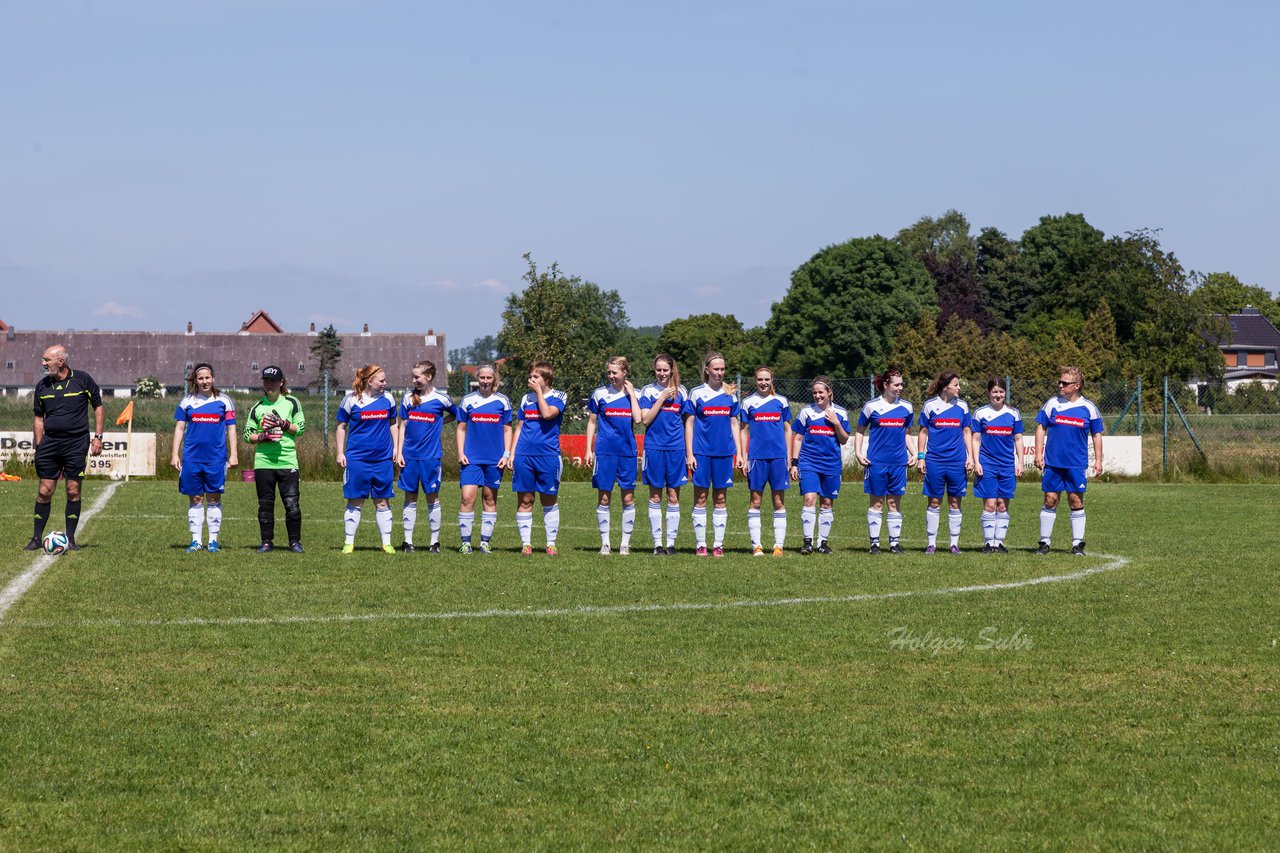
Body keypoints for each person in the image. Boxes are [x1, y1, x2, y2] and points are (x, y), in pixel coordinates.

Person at [25, 345, 105, 552]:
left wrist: (97, 437)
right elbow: (38, 417)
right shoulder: (42, 386)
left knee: (73, 489)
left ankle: (70, 538)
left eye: (47, 360)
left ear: (60, 361)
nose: (43, 364)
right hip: (49, 444)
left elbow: (98, 407)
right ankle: (35, 538)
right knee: (44, 491)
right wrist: (39, 445)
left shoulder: (82, 379)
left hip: (76, 443)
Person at [1034, 365, 1104, 556]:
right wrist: (1038, 454)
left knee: (1075, 500)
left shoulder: (1089, 408)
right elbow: (1041, 427)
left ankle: (1077, 544)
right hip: (1053, 463)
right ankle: (1044, 543)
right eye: (1060, 381)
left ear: (1077, 385)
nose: (1060, 385)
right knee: (1050, 500)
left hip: (1075, 464)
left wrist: (1098, 460)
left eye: (1065, 383)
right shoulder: (1052, 404)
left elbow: (1096, 435)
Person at [171, 363, 238, 553]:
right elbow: (179, 428)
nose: (204, 381)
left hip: (216, 458)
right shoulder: (187, 401)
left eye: (207, 377)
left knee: (214, 498)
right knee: (196, 499)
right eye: (200, 378)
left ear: (213, 378)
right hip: (192, 458)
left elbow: (231, 428)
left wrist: (233, 454)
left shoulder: (224, 401)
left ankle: (213, 541)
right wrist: (174, 454)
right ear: (195, 381)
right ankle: (196, 541)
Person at [683, 352, 743, 557]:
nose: (720, 372)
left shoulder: (730, 394)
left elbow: (735, 424)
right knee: (700, 498)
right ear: (707, 370)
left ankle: (718, 545)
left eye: (722, 369)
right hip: (701, 453)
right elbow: (689, 424)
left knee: (720, 498)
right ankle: (701, 544)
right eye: (716, 369)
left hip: (725, 453)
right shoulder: (696, 393)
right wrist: (689, 453)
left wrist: (740, 453)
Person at [335, 364, 399, 554]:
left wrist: (396, 448)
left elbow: (393, 423)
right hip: (357, 459)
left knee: (382, 501)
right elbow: (340, 427)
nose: (385, 383)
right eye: (381, 380)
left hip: (382, 460)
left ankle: (386, 543)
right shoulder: (351, 400)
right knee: (356, 500)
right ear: (369, 381)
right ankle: (349, 542)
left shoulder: (388, 399)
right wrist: (340, 452)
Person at [394, 360, 456, 553]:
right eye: (413, 376)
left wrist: (440, 422)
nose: (414, 380)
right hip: (409, 457)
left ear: (428, 377)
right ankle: (407, 541)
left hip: (431, 457)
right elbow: (402, 425)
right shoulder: (407, 398)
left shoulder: (442, 399)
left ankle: (434, 542)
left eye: (417, 377)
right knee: (410, 497)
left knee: (432, 497)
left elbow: (456, 415)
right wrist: (398, 451)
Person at [243, 365, 306, 553]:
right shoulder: (258, 407)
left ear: (281, 382)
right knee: (265, 504)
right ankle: (266, 542)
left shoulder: (292, 402)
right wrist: (263, 436)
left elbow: (300, 429)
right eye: (266, 380)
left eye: (273, 380)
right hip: (264, 462)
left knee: (292, 504)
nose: (269, 384)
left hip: (287, 461)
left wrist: (283, 424)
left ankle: (295, 542)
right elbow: (248, 435)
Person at [854, 368, 917, 554]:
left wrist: (914, 453)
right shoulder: (871, 407)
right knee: (876, 502)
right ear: (885, 385)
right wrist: (858, 453)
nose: (900, 388)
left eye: (901, 384)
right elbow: (859, 430)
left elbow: (906, 434)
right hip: (876, 462)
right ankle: (874, 544)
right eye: (897, 384)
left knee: (894, 503)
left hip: (898, 463)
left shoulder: (907, 407)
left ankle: (894, 544)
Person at [586, 356, 642, 555]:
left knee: (628, 497)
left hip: (627, 452)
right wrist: (588, 449)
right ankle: (606, 543)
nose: (611, 376)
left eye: (614, 372)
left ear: (625, 373)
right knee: (604, 498)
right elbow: (592, 422)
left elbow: (638, 419)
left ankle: (625, 544)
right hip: (604, 452)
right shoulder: (599, 394)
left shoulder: (635, 394)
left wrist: (632, 395)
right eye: (609, 372)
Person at [455, 364, 513, 554]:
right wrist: (461, 452)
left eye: (489, 378)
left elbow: (507, 429)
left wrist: (506, 454)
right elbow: (461, 428)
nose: (485, 381)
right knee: (467, 497)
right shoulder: (468, 400)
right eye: (482, 378)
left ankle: (485, 542)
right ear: (477, 379)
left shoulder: (503, 401)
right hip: (471, 458)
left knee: (489, 498)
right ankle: (465, 543)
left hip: (495, 459)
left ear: (494, 380)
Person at [511, 361, 567, 556]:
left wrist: (539, 394)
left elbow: (547, 414)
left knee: (548, 499)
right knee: (525, 499)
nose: (531, 380)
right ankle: (526, 544)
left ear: (547, 379)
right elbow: (519, 427)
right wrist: (511, 453)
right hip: (524, 456)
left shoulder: (559, 396)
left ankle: (550, 543)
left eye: (536, 377)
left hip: (549, 455)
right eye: (531, 376)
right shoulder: (526, 398)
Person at [790, 376, 851, 554]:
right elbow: (798, 438)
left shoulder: (840, 413)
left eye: (821, 392)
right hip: (809, 462)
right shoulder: (806, 412)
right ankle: (807, 543)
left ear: (829, 392)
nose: (817, 396)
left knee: (826, 502)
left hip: (831, 464)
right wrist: (794, 463)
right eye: (815, 392)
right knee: (809, 499)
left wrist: (836, 423)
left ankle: (822, 544)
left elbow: (844, 439)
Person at [918, 371, 974, 555]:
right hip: (934, 461)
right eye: (956, 385)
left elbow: (967, 432)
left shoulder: (963, 407)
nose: (959, 388)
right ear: (945, 387)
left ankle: (954, 544)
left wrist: (970, 457)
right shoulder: (930, 406)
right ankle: (931, 544)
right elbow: (923, 432)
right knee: (934, 501)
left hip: (957, 461)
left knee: (955, 502)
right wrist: (921, 457)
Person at [638, 354, 689, 555]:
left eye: (665, 370)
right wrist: (662, 397)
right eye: (658, 370)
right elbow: (645, 420)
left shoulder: (682, 392)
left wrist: (688, 451)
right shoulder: (648, 391)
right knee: (655, 495)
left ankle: (671, 544)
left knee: (673, 496)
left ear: (672, 370)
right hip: (654, 448)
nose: (661, 373)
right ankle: (657, 544)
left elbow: (688, 424)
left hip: (676, 449)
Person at [739, 366, 792, 556]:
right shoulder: (748, 403)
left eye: (767, 379)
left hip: (778, 458)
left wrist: (788, 456)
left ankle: (778, 546)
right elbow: (743, 431)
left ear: (771, 380)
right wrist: (743, 457)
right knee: (756, 501)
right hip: (756, 458)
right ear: (755, 381)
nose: (763, 383)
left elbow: (788, 430)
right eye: (760, 379)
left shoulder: (781, 402)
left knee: (778, 502)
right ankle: (757, 546)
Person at [971, 376, 1024, 554]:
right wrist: (976, 461)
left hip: (1007, 464)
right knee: (990, 504)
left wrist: (1020, 462)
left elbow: (1018, 438)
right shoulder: (980, 413)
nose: (998, 395)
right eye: (995, 391)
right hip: (987, 464)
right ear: (988, 393)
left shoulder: (1013, 413)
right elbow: (976, 439)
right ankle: (988, 543)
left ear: (1005, 393)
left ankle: (999, 542)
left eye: (1001, 391)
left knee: (1002, 504)